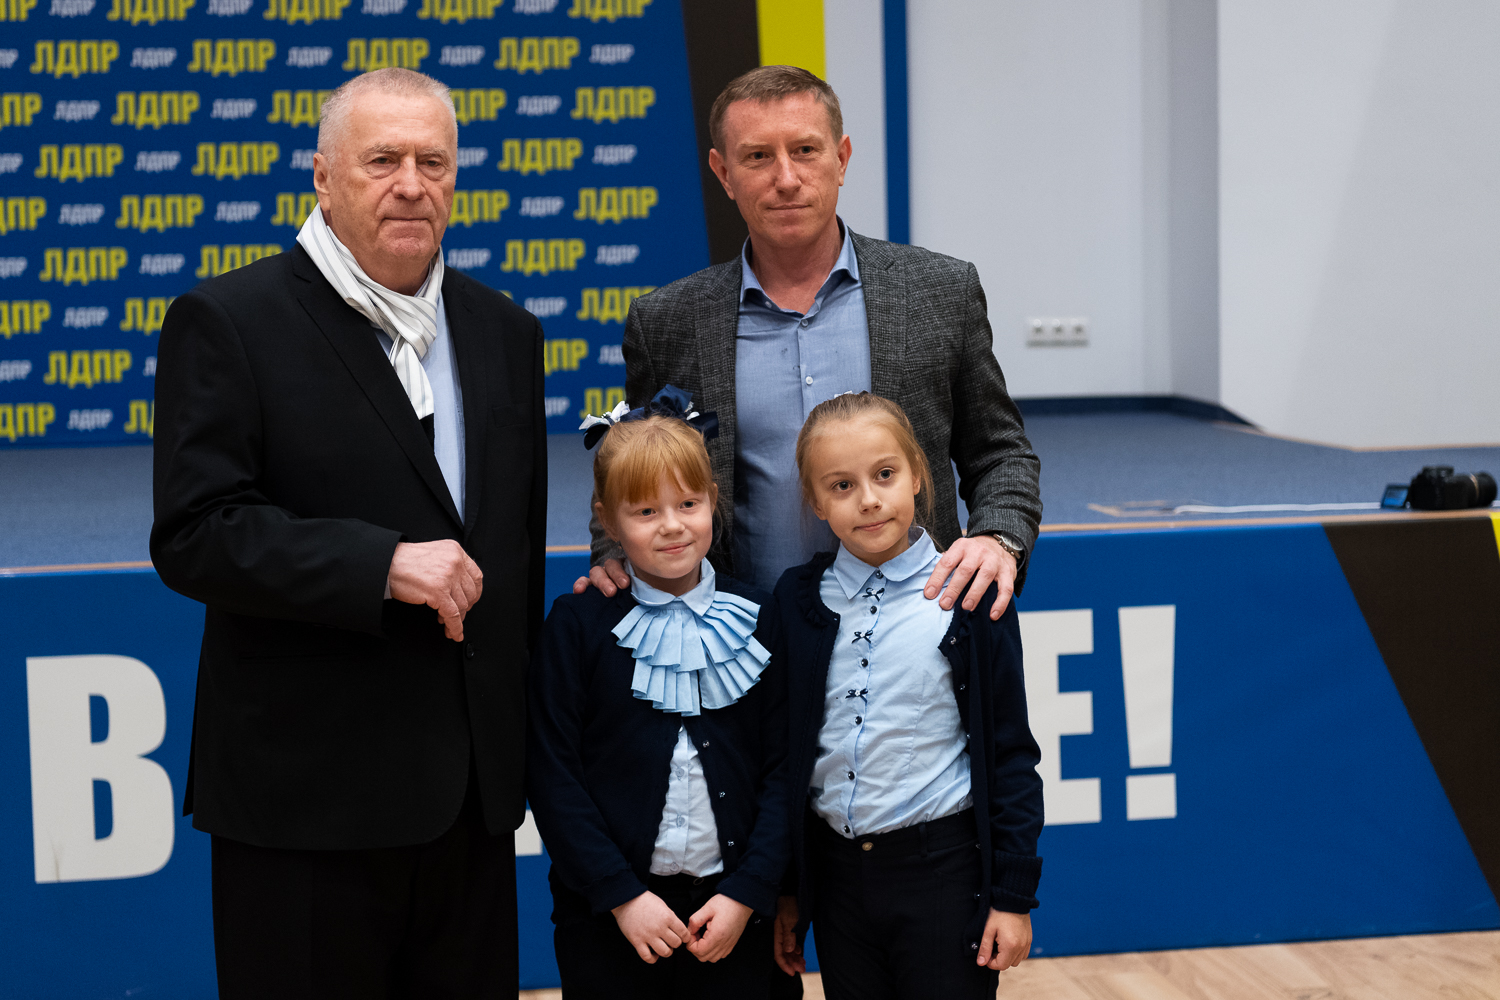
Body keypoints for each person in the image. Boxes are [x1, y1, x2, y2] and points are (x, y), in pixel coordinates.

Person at [150, 67, 545, 999]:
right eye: (382, 161)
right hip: (307, 808)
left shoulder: (505, 331)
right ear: (324, 178)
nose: (411, 184)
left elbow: (513, 549)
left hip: (471, 809)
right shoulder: (228, 320)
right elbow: (197, 533)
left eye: (432, 162)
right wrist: (381, 564)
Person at [579, 64, 1041, 626]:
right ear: (723, 173)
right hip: (741, 642)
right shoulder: (667, 322)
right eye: (757, 157)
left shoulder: (938, 292)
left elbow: (1000, 453)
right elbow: (632, 468)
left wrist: (998, 538)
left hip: (915, 630)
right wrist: (613, 553)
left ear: (841, 159)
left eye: (805, 150)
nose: (787, 178)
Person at [768, 392, 1044, 1000]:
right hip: (838, 887)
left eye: (885, 474)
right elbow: (782, 759)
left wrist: (1012, 897)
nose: (868, 499)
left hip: (944, 877)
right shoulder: (795, 601)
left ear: (918, 474)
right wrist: (788, 889)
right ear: (815, 501)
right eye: (841, 486)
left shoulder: (971, 594)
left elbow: (1010, 755)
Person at [526, 387, 789, 999]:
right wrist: (621, 895)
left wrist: (747, 893)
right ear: (608, 519)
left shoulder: (762, 617)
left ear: (713, 500)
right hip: (610, 921)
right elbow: (552, 772)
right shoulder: (576, 625)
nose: (672, 525)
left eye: (688, 503)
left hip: (736, 918)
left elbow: (785, 769)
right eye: (645, 511)